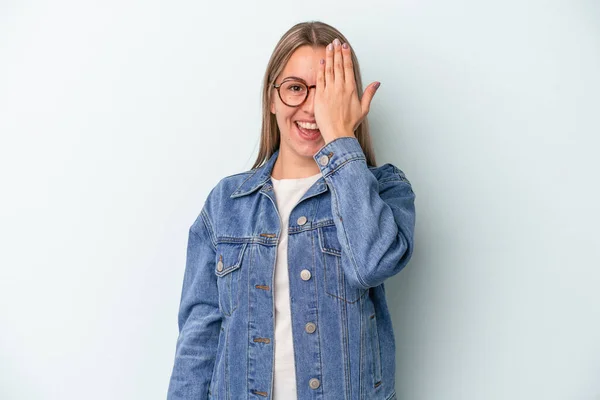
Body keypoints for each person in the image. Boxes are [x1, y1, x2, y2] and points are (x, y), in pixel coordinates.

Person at [167, 21, 416, 400]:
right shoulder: (226, 203)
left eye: (328, 91)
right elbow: (198, 339)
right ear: (271, 98)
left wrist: (341, 138)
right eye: (296, 88)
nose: (312, 107)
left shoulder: (385, 189)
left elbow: (373, 263)